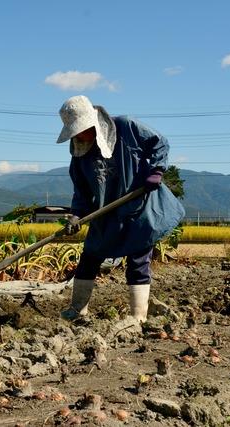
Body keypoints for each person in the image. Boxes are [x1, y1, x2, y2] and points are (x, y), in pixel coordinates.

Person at [56, 95, 185, 322]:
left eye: (82, 130)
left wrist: (156, 170)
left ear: (93, 122)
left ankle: (137, 318)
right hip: (106, 214)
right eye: (75, 133)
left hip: (139, 209)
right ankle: (77, 311)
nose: (79, 136)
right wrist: (76, 214)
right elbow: (82, 193)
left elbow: (160, 142)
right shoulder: (79, 155)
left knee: (138, 262)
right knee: (89, 258)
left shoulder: (126, 128)